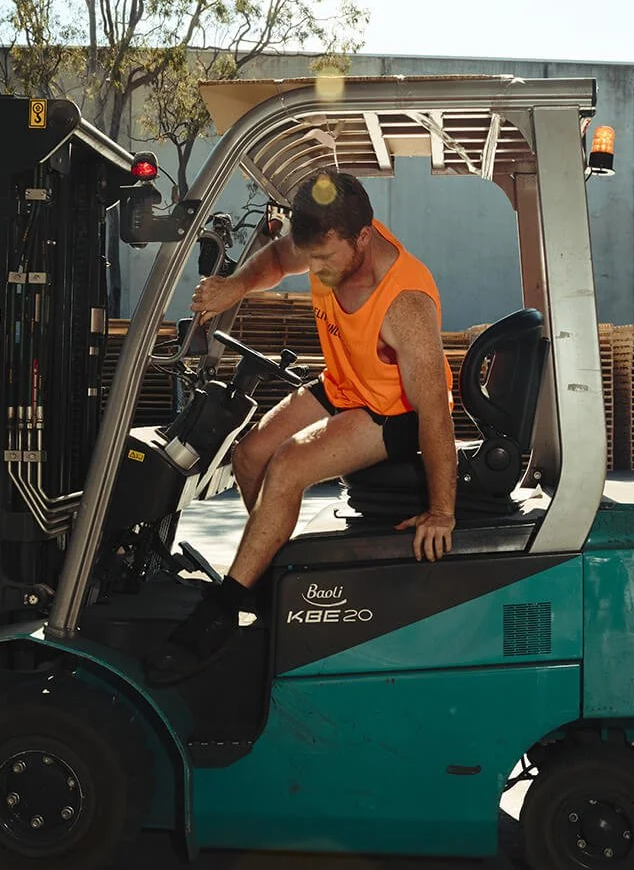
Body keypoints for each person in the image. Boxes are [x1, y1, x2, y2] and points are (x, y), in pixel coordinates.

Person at [144, 171, 457, 684]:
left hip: (394, 413)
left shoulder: (405, 304)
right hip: (346, 384)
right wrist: (234, 286)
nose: (317, 271)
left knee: (287, 466)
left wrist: (442, 512)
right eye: (311, 260)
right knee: (248, 455)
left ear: (362, 237)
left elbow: (436, 416)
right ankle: (273, 580)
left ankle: (224, 608)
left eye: (326, 261)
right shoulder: (322, 244)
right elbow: (274, 259)